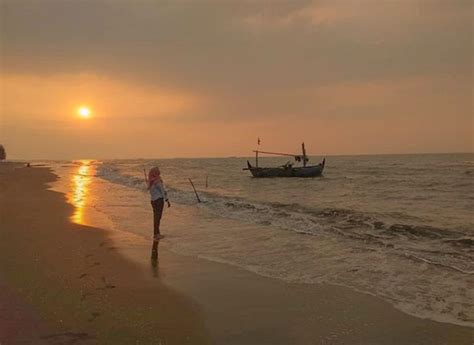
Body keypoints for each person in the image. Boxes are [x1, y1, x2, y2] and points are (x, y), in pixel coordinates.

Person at [147, 167, 171, 241]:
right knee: (158, 217)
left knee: (156, 217)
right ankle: (157, 234)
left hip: (153, 201)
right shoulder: (158, 181)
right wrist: (167, 200)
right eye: (158, 172)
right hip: (159, 201)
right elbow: (163, 191)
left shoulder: (150, 182)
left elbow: (150, 191)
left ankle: (156, 233)